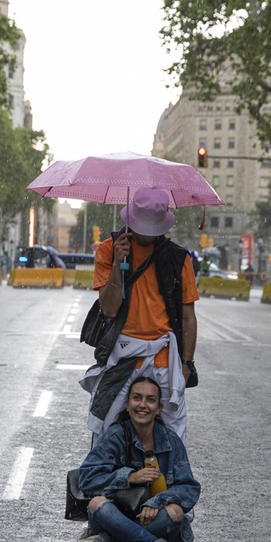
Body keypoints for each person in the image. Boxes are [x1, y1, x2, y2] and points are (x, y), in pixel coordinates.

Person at [81, 187, 199, 443]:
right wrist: (117, 265)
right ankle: (100, 480)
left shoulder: (179, 258)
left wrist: (187, 364)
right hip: (121, 353)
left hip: (164, 358)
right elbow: (110, 308)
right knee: (103, 427)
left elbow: (188, 316)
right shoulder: (109, 249)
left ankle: (173, 481)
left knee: (174, 433)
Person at [69, 377, 200, 542]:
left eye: (150, 400)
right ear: (128, 405)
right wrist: (130, 477)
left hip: (152, 517)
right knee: (97, 504)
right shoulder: (115, 435)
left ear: (158, 408)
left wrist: (156, 502)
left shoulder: (171, 440)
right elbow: (87, 478)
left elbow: (189, 488)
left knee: (175, 512)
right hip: (116, 513)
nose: (142, 405)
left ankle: (103, 541)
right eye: (136, 398)